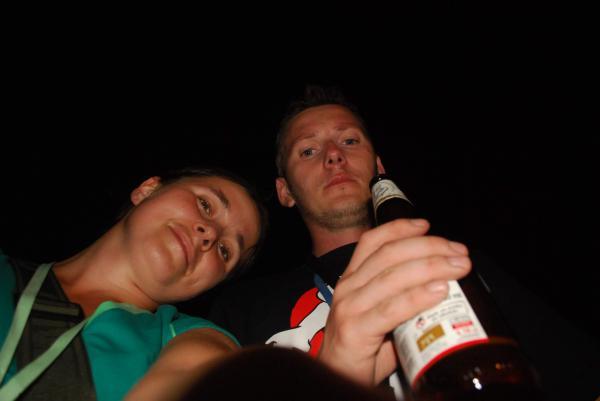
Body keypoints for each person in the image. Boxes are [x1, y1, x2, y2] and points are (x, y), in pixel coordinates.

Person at [209, 86, 600, 401]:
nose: (334, 156)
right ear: (285, 191)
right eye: (308, 150)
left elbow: (580, 375)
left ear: (379, 166)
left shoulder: (455, 263)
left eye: (349, 140)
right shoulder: (241, 311)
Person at [0, 167, 268, 401]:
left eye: (225, 250)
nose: (209, 233)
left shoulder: (187, 338)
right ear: (147, 190)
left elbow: (200, 372)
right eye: (205, 205)